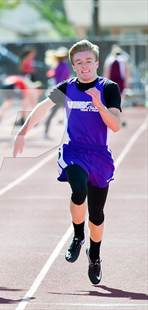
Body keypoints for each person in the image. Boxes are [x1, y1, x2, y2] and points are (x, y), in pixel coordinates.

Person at [13, 40, 122, 285]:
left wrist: (99, 105)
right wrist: (23, 132)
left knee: (97, 215)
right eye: (79, 63)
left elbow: (114, 125)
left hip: (99, 155)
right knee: (78, 188)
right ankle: (77, 236)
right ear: (73, 66)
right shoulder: (68, 87)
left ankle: (94, 256)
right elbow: (42, 107)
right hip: (74, 151)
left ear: (96, 62)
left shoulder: (109, 88)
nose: (84, 66)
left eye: (88, 61)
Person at [43, 47, 71, 139]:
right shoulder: (63, 66)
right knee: (71, 111)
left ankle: (46, 131)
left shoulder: (58, 65)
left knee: (56, 112)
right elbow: (63, 79)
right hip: (61, 92)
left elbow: (53, 75)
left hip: (57, 91)